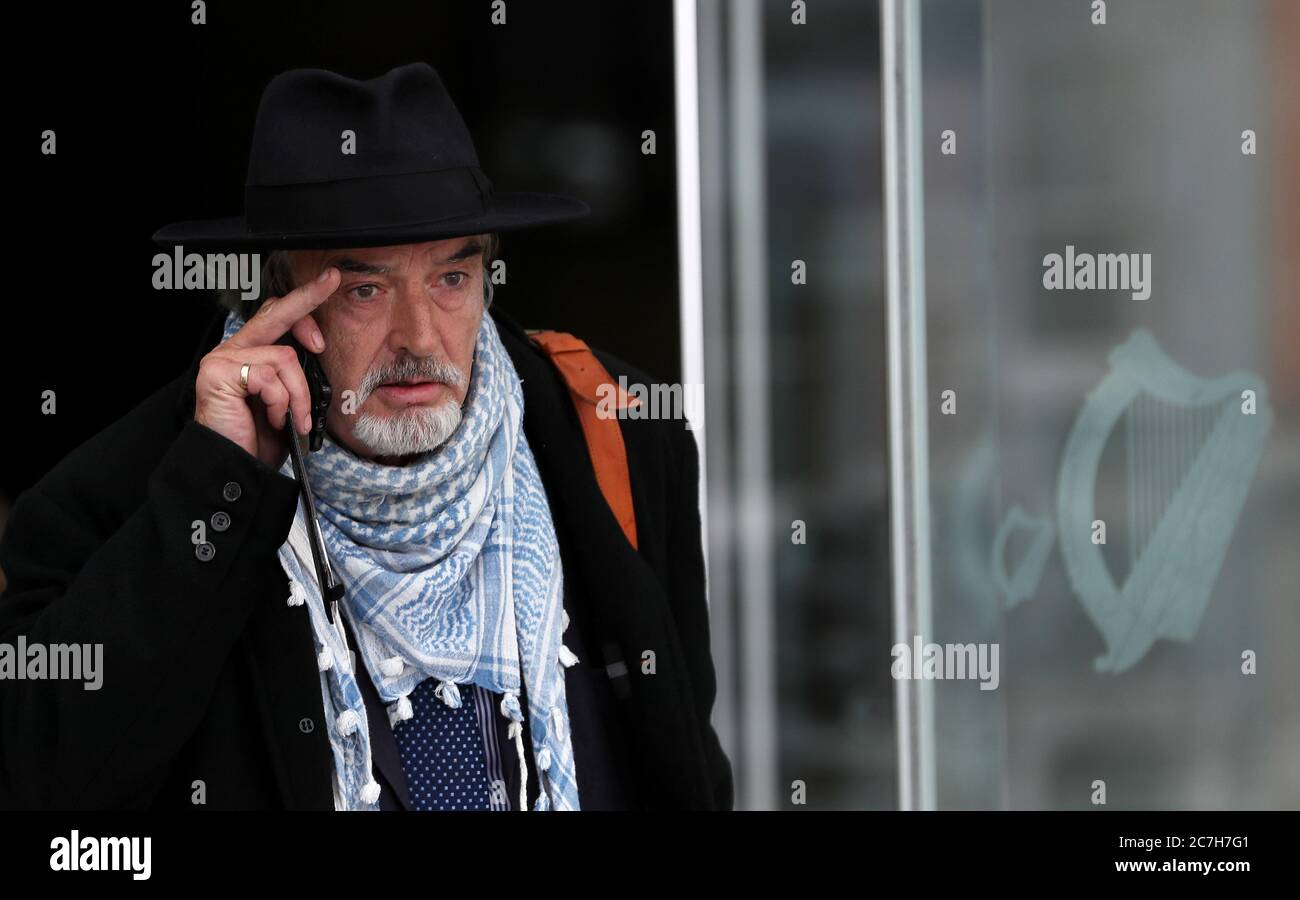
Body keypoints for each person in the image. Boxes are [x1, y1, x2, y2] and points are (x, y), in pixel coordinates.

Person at [0, 62, 731, 811]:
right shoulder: (116, 499)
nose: (420, 338)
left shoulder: (611, 430)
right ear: (277, 301)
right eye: (364, 290)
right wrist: (216, 486)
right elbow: (45, 790)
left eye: (452, 278)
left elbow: (687, 763)